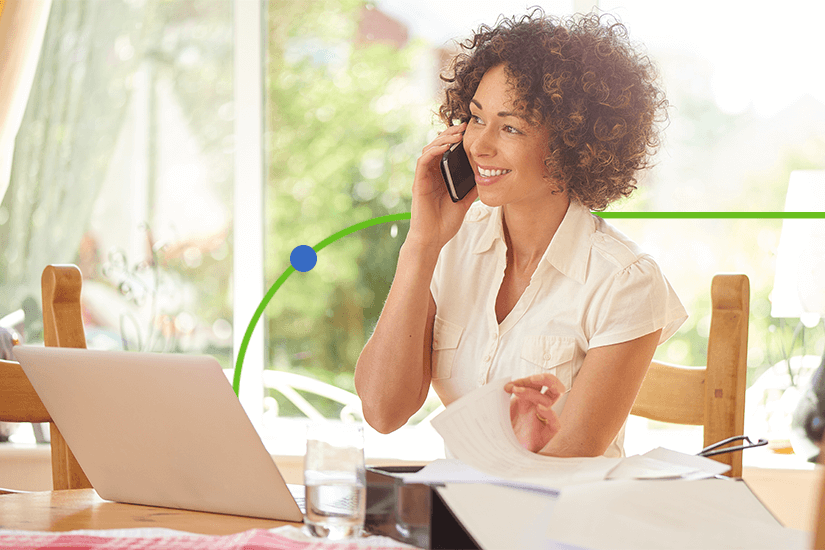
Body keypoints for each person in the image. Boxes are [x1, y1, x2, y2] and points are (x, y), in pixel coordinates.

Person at [354, 9, 687, 458]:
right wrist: (422, 244)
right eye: (475, 118)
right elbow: (382, 411)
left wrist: (520, 442)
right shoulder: (451, 245)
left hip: (561, 520)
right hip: (460, 512)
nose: (480, 145)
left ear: (573, 143)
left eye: (511, 127)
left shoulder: (625, 281)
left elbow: (573, 455)